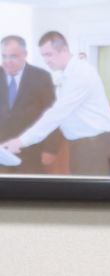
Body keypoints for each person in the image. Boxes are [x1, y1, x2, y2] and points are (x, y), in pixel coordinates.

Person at [1, 30, 110, 176]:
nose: (46, 60)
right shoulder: (66, 74)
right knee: (83, 187)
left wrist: (21, 141)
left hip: (93, 144)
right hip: (82, 144)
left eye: (49, 54)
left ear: (64, 50)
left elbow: (56, 114)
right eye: (43, 55)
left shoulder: (81, 74)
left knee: (92, 189)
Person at [0, 35, 55, 174]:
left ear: (25, 55)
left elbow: (52, 114)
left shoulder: (41, 77)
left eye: (13, 56)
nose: (7, 61)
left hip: (31, 151)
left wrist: (50, 149)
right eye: (4, 56)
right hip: (2, 152)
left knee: (29, 186)